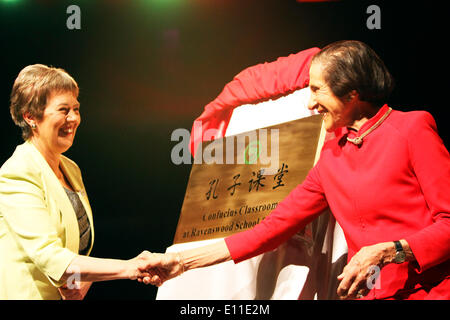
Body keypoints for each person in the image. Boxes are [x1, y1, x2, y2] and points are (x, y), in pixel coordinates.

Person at [140, 40, 450, 300]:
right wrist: (180, 262)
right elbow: (268, 231)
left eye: (317, 91)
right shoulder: (331, 157)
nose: (310, 103)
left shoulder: (412, 129)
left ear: (351, 93)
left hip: (430, 291)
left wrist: (391, 251)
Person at [0, 64, 155, 300]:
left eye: (76, 109)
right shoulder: (17, 171)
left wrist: (77, 284)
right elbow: (51, 257)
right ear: (30, 117)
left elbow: (76, 249)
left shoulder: (71, 169)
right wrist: (132, 267)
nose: (73, 118)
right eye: (63, 110)